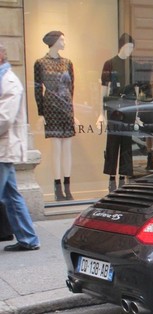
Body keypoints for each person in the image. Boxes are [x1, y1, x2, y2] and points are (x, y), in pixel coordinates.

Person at [0, 42, 41, 251]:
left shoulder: (9, 82)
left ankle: (29, 239)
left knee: (10, 195)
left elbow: (4, 118)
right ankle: (28, 238)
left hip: (3, 150)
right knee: (11, 195)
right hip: (3, 149)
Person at [34, 30, 76, 201]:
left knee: (67, 149)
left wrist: (72, 109)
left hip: (66, 106)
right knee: (56, 148)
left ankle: (67, 186)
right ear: (54, 41)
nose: (64, 42)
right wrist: (41, 112)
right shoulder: (40, 63)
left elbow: (72, 86)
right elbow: (38, 88)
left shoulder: (68, 62)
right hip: (50, 106)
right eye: (62, 39)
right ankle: (57, 187)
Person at [98, 33, 138, 192]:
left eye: (132, 48)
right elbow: (103, 89)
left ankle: (123, 177)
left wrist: (137, 113)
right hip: (114, 108)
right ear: (121, 46)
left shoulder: (132, 65)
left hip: (129, 107)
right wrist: (101, 112)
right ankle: (111, 178)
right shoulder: (109, 64)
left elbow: (136, 90)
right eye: (128, 47)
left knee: (126, 144)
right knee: (113, 143)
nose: (130, 51)